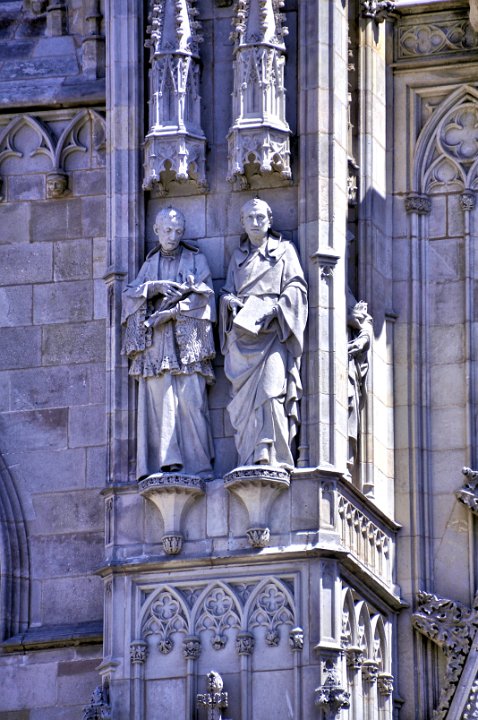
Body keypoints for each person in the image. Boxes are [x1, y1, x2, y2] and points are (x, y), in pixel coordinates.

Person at [122, 207, 216, 480]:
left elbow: (207, 297)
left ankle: (199, 466)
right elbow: (128, 297)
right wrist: (154, 287)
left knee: (192, 401)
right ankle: (165, 464)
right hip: (156, 347)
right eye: (167, 231)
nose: (172, 236)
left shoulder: (196, 260)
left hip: (189, 345)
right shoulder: (149, 265)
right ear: (156, 231)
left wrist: (174, 311)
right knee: (159, 402)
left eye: (177, 231)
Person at [219, 198, 308, 470]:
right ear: (242, 223)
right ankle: (249, 456)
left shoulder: (285, 251)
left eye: (260, 217)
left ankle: (273, 455)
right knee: (245, 404)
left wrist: (276, 309)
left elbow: (297, 288)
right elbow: (226, 292)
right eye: (250, 218)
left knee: (271, 391)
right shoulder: (238, 258)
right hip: (243, 336)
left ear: (270, 221)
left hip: (273, 333)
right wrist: (230, 303)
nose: (255, 223)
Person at [347, 299, 373, 470]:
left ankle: (346, 458)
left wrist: (362, 339)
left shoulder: (347, 295)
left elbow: (366, 323)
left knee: (349, 404)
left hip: (348, 361)